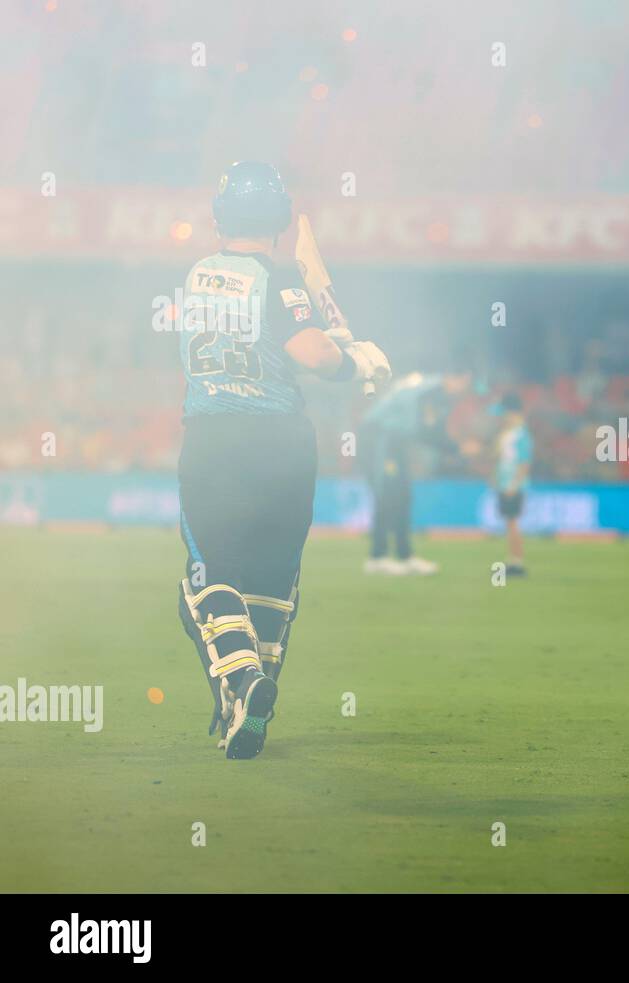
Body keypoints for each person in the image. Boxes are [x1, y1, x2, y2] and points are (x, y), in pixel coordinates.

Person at [177, 161, 390, 759]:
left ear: (221, 217)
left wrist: (335, 352)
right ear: (276, 218)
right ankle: (252, 705)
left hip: (216, 442)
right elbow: (314, 357)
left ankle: (242, 686)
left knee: (210, 577)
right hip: (284, 446)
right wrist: (357, 363)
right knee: (272, 584)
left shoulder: (194, 276)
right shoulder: (282, 280)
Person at [359, 370, 473, 575]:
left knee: (402, 495)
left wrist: (454, 448)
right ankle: (377, 557)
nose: (465, 389)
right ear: (457, 378)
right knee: (387, 495)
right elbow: (427, 432)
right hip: (379, 438)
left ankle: (405, 556)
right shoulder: (431, 393)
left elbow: (427, 431)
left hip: (394, 440)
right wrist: (457, 448)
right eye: (466, 382)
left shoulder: (430, 391)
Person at [493, 392, 533, 577]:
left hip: (512, 485)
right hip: (505, 483)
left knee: (513, 522)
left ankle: (517, 561)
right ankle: (512, 559)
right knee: (510, 523)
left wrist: (514, 485)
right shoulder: (508, 434)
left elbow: (524, 464)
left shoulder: (521, 435)